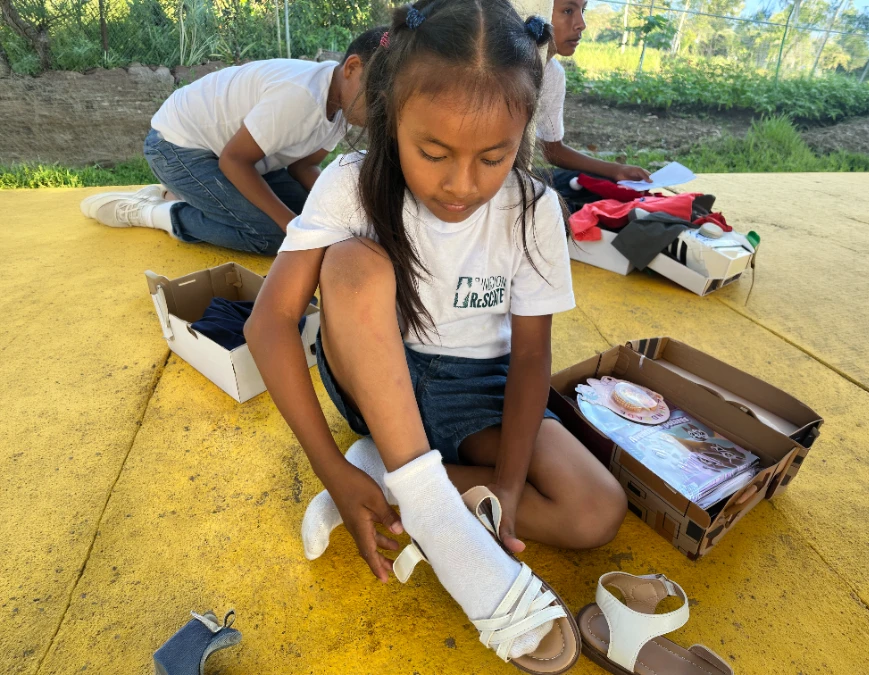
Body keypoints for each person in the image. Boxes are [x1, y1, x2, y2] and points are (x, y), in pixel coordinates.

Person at [245, 0, 626, 668]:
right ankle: (436, 514)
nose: (461, 185)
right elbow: (269, 322)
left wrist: (509, 485)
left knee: (595, 510)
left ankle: (394, 473)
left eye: (493, 157)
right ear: (392, 116)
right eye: (433, 152)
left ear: (522, 132)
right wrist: (330, 469)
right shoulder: (350, 183)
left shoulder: (535, 210)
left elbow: (531, 357)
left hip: (480, 389)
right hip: (377, 373)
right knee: (351, 263)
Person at [80, 28, 384, 256]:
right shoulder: (300, 97)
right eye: (380, 97)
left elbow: (303, 167)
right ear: (352, 68)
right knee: (272, 237)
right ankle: (153, 212)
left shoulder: (345, 103)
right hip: (177, 147)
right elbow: (233, 161)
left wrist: (342, 209)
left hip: (241, 158)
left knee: (313, 218)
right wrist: (291, 227)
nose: (383, 110)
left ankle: (190, 195)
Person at [537, 0, 651, 211]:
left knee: (605, 187)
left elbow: (552, 149)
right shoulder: (504, 70)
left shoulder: (553, 74)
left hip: (520, 178)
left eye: (583, 10)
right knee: (563, 211)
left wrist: (616, 170)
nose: (581, 24)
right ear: (536, 9)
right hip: (496, 184)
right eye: (568, 11)